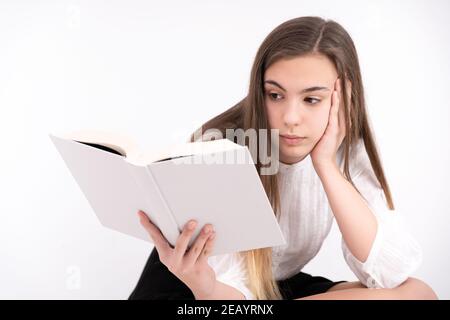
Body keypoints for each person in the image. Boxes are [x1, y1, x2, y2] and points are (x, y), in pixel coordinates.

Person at [129, 16, 437, 300]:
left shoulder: (341, 145)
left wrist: (326, 166)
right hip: (201, 291)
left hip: (272, 287)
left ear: (344, 97)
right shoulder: (223, 149)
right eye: (275, 95)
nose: (290, 117)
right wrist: (205, 286)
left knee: (418, 294)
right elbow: (230, 289)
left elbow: (388, 272)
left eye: (311, 99)